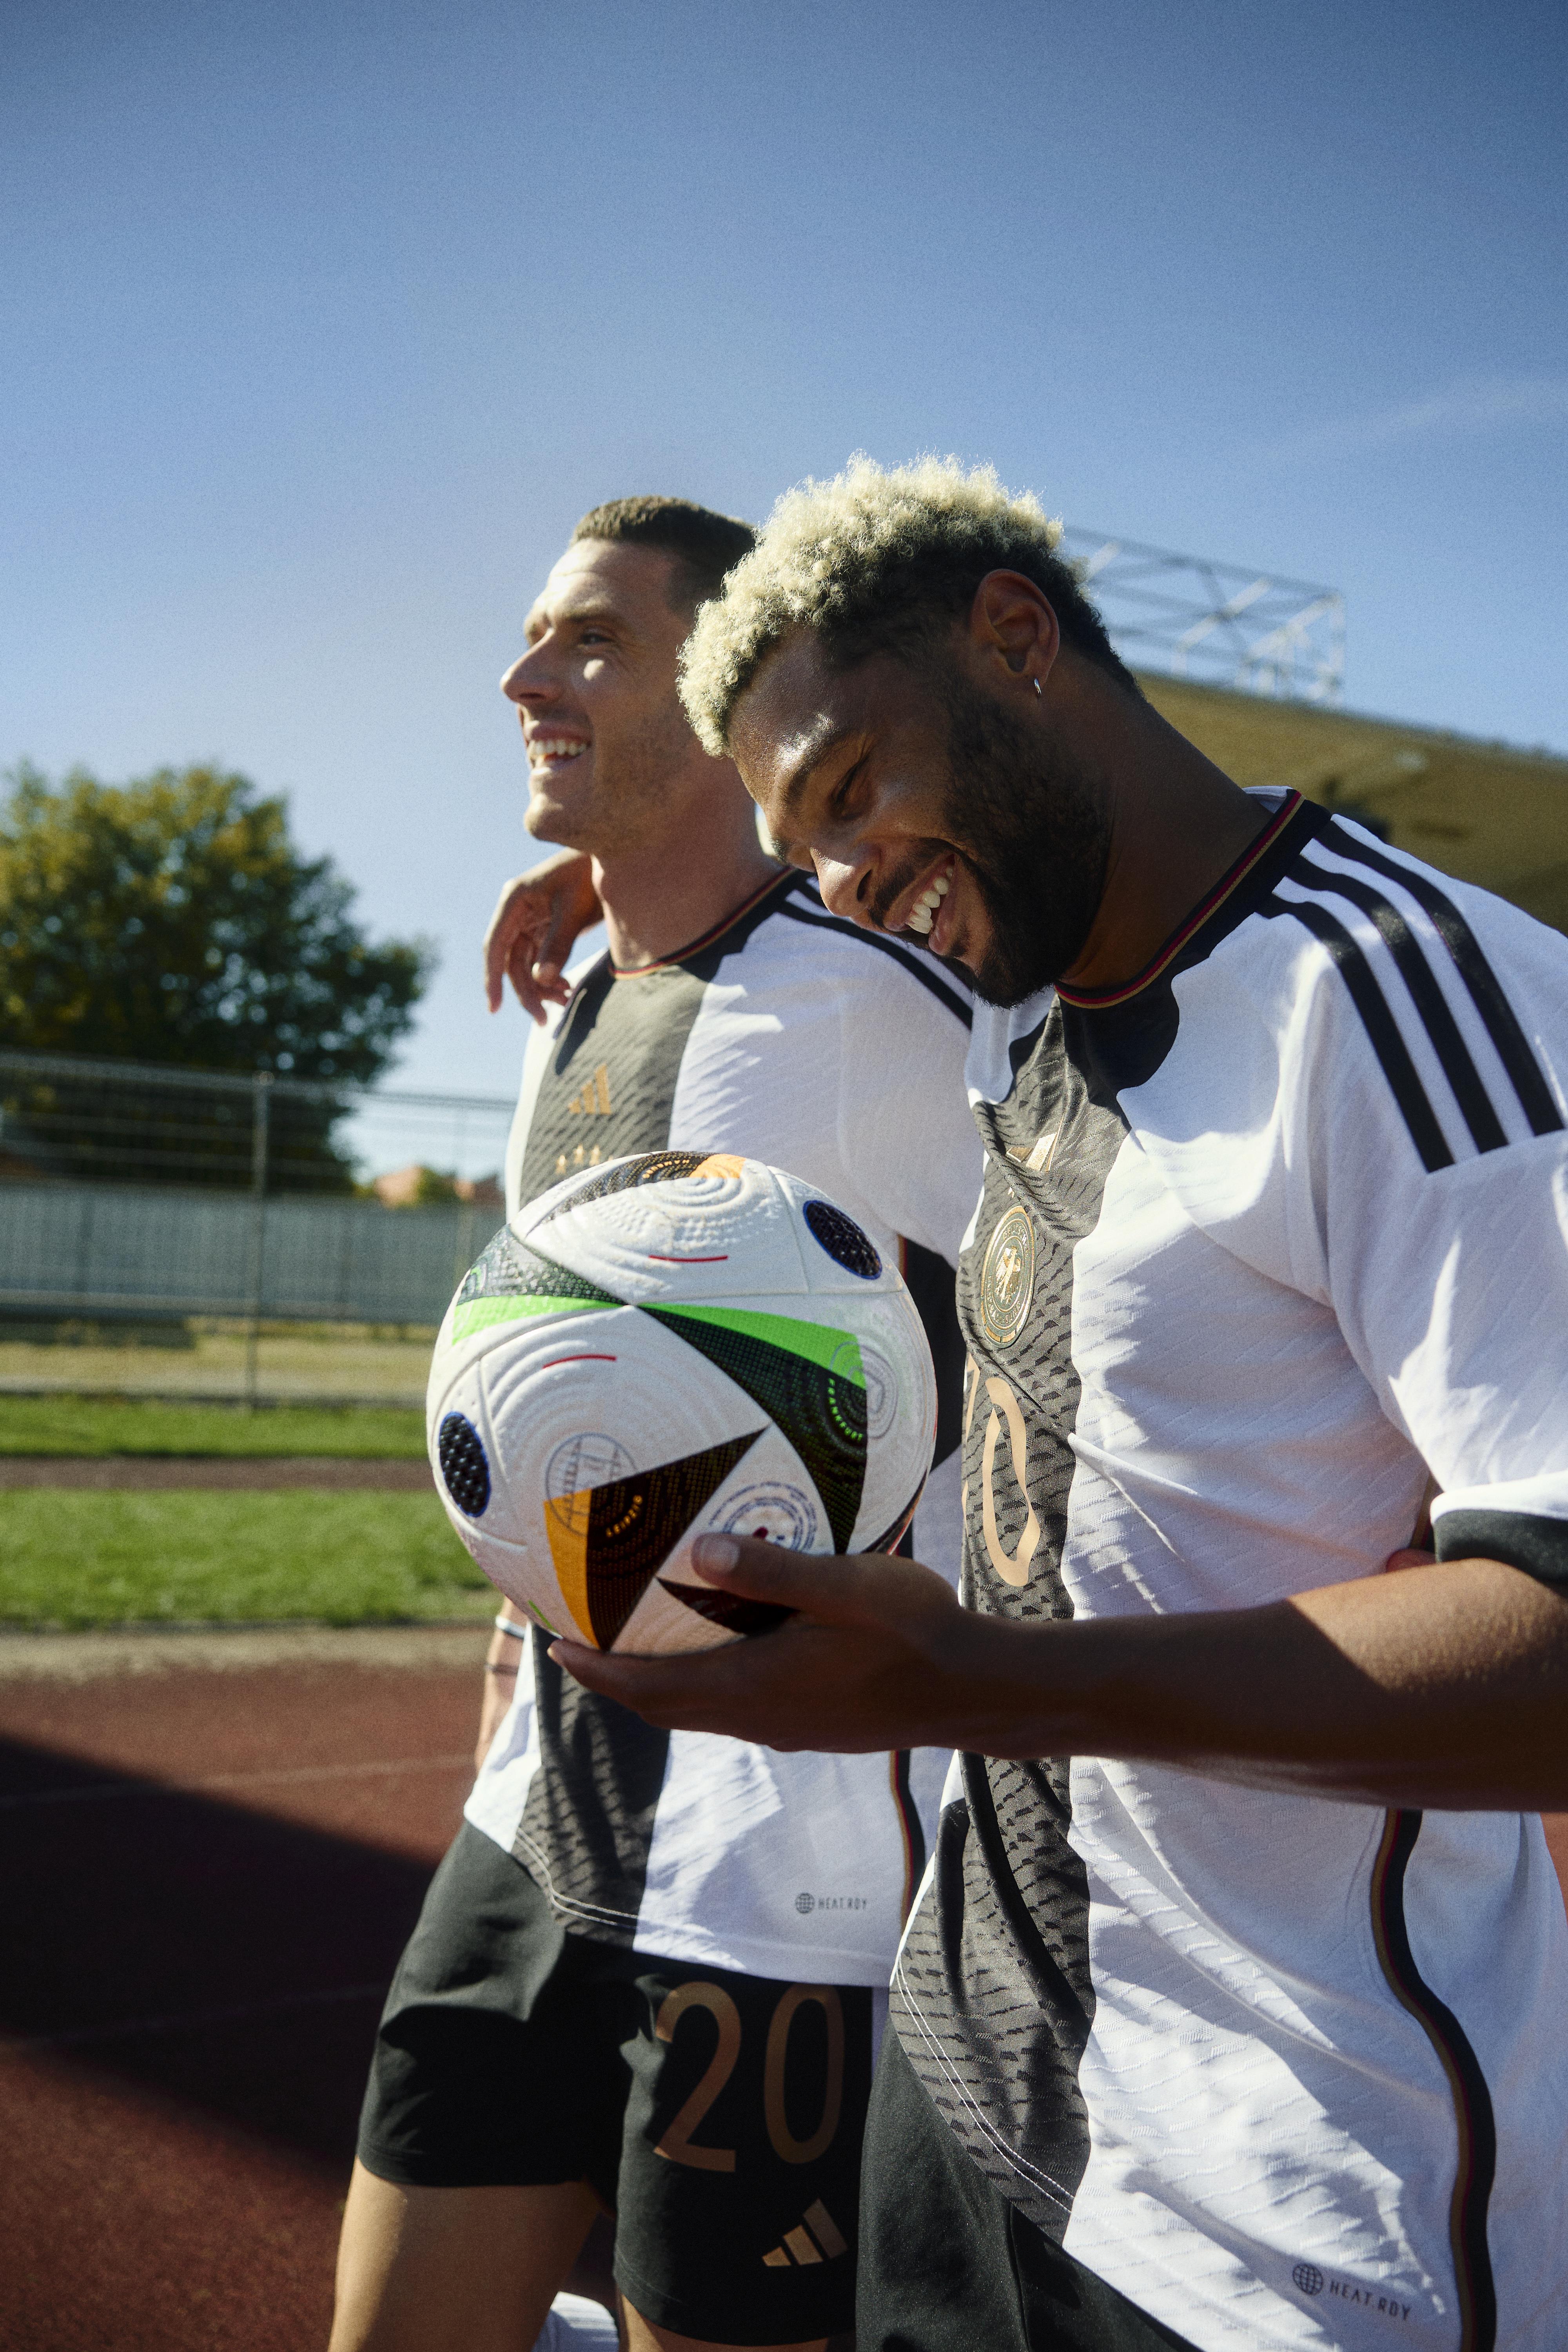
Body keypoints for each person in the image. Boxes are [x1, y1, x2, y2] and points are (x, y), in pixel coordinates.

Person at [562, 457, 1568, 2352]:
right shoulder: (1013, 995)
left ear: (1015, 638)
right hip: (976, 2102)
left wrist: (973, 1689)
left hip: (1293, 2217)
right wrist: (611, 878)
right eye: (810, 845)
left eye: (853, 791)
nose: (850, 877)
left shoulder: (1409, 1000)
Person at [329, 494, 981, 2352]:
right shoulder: (567, 1006)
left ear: (725, 698)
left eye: (591, 643)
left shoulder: (889, 1012)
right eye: (537, 636)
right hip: (532, 1819)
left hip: (786, 1888)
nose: (526, 674)